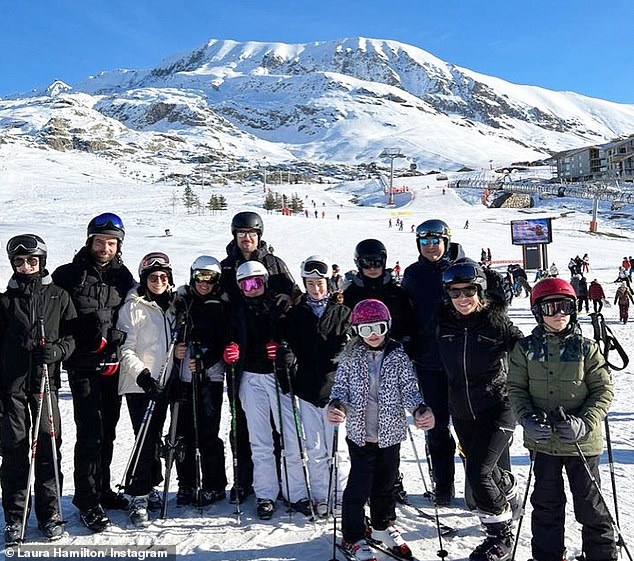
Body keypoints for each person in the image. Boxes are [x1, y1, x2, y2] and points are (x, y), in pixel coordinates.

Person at [508, 278, 617, 561]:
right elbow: (516, 388)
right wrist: (526, 418)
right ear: (538, 312)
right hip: (543, 441)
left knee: (590, 504)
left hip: (581, 442)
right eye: (551, 307)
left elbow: (603, 390)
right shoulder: (524, 348)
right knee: (545, 504)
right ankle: (547, 555)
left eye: (566, 306)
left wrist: (584, 422)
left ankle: (601, 555)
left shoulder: (586, 348)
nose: (559, 314)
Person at [328, 299, 435, 561]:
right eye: (365, 329)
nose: (373, 334)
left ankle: (381, 526)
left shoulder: (398, 356)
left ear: (387, 326)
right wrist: (336, 404)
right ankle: (352, 535)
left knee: (386, 484)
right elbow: (339, 388)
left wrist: (420, 409)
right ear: (356, 331)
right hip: (360, 434)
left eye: (378, 327)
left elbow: (409, 390)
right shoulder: (351, 357)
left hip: (390, 434)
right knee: (358, 486)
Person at [52, 213, 135, 532]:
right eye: (100, 241)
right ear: (89, 241)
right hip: (83, 364)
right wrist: (82, 331)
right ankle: (86, 500)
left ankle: (102, 489)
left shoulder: (123, 277)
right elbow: (54, 316)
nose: (105, 247)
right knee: (90, 431)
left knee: (110, 429)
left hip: (112, 364)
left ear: (119, 245)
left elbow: (131, 316)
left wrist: (120, 335)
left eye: (111, 243)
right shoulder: (69, 275)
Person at [437, 259, 523, 561]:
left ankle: (500, 536)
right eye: (455, 292)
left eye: (469, 291)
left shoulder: (496, 323)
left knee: (477, 471)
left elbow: (529, 352)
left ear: (480, 291)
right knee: (485, 467)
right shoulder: (443, 324)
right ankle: (508, 490)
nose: (462, 298)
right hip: (461, 411)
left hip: (498, 406)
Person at [219, 211, 300, 503]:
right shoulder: (227, 266)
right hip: (240, 350)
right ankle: (245, 480)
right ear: (234, 235)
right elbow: (211, 296)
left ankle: (279, 478)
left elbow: (295, 294)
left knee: (279, 424)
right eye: (241, 233)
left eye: (251, 233)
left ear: (259, 235)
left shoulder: (274, 264)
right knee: (243, 422)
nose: (247, 238)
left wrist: (289, 298)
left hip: (272, 356)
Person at [1, 235, 76, 544]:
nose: (26, 266)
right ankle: (15, 518)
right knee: (15, 449)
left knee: (47, 446)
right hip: (11, 388)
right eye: (20, 261)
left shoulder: (58, 296)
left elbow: (74, 336)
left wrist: (58, 351)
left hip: (45, 383)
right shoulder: (4, 302)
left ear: (42, 262)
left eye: (32, 261)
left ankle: (50, 513)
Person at [223, 261, 310, 520]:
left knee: (290, 436)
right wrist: (230, 350)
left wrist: (285, 351)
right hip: (250, 378)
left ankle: (296, 492)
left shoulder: (280, 306)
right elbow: (227, 337)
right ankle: (266, 493)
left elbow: (295, 339)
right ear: (240, 286)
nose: (252, 288)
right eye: (246, 284)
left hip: (278, 378)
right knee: (259, 440)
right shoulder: (235, 310)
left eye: (257, 282)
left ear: (266, 282)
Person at [343, 239, 417, 502]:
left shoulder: (396, 292)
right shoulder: (351, 293)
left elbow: (409, 322)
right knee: (366, 422)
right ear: (358, 264)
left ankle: (391, 477)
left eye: (377, 262)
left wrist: (407, 344)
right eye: (367, 263)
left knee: (390, 422)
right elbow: (344, 324)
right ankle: (364, 477)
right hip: (362, 363)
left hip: (393, 362)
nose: (373, 268)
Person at [279, 256, 352, 516]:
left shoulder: (343, 312)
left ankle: (342, 496)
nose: (315, 289)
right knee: (317, 448)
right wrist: (286, 355)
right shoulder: (298, 314)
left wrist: (346, 348)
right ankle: (322, 496)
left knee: (340, 448)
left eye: (319, 283)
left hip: (337, 390)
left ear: (328, 283)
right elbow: (287, 343)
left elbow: (355, 343)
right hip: (309, 389)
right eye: (310, 284)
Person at [401, 219, 465, 505]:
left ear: (446, 241)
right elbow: (405, 312)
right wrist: (407, 340)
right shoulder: (413, 274)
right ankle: (443, 485)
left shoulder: (463, 269)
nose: (431, 247)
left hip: (462, 361)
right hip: (428, 362)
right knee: (436, 427)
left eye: (436, 241)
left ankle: (479, 488)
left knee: (468, 426)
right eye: (424, 242)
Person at [117, 252, 180, 527]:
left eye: (163, 277)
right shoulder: (133, 307)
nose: (158, 281)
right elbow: (125, 349)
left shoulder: (173, 307)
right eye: (153, 277)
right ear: (144, 279)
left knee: (155, 440)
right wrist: (143, 377)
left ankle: (149, 485)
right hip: (141, 384)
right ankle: (137, 494)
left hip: (165, 382)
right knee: (144, 439)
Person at [171, 256, 230, 506]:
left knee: (208, 430)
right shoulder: (183, 301)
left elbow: (225, 340)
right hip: (184, 373)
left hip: (210, 375)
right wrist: (176, 350)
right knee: (183, 431)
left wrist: (208, 361)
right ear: (193, 276)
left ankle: (214, 484)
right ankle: (187, 482)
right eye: (200, 278)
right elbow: (171, 331)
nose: (204, 284)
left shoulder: (221, 305)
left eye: (210, 279)